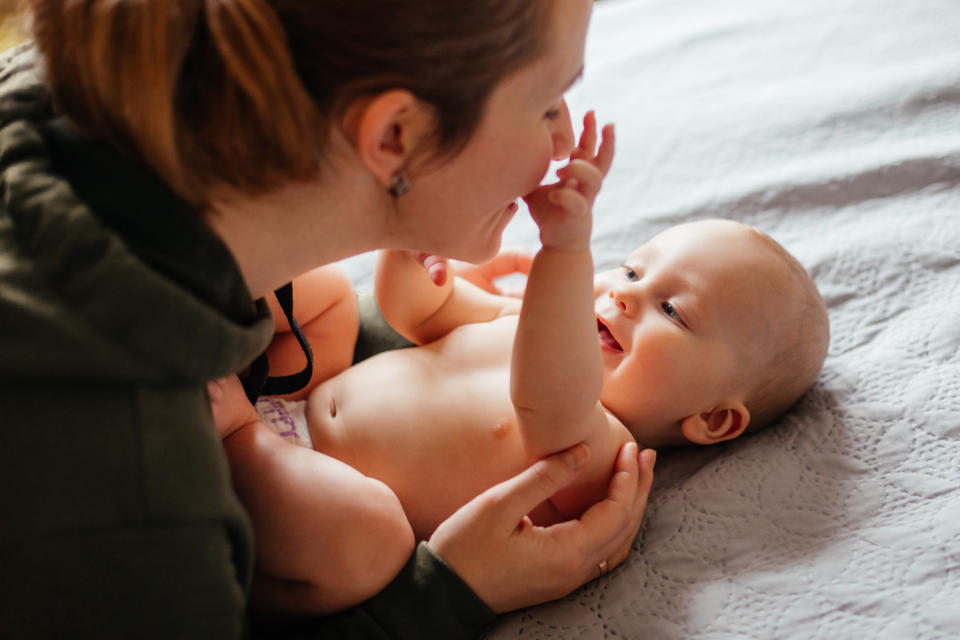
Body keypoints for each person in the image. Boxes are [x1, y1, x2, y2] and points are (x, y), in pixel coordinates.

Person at [0, 1, 656, 638]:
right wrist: (448, 594)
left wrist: (430, 350)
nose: (565, 143)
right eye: (547, 106)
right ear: (397, 137)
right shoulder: (130, 501)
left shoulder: (72, 96)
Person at [212, 115, 830, 615]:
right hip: (296, 397)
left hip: (297, 494)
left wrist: (567, 251)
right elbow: (419, 314)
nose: (622, 294)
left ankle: (232, 431)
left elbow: (545, 395)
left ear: (714, 418)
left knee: (367, 539)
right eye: (633, 269)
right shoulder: (517, 316)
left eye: (671, 309)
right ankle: (199, 301)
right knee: (327, 292)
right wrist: (416, 255)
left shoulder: (602, 453)